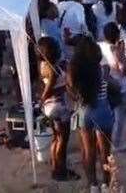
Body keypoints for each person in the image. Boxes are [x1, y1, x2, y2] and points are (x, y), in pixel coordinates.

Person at [67, 36, 113, 191]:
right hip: (103, 109)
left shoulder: (76, 70)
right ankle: (107, 183)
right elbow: (111, 86)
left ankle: (93, 184)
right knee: (105, 151)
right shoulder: (102, 68)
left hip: (85, 111)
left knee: (88, 150)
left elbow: (73, 93)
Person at [37, 37, 79, 181]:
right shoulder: (55, 67)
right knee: (63, 139)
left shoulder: (42, 65)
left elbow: (44, 85)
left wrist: (42, 102)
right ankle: (61, 170)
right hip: (59, 105)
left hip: (50, 107)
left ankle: (56, 167)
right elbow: (50, 88)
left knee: (56, 137)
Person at [99, 23, 126, 152]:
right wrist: (124, 58)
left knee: (109, 116)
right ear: (117, 35)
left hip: (105, 86)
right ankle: (116, 144)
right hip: (120, 87)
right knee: (119, 117)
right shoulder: (116, 50)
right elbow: (123, 70)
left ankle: (105, 140)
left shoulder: (99, 46)